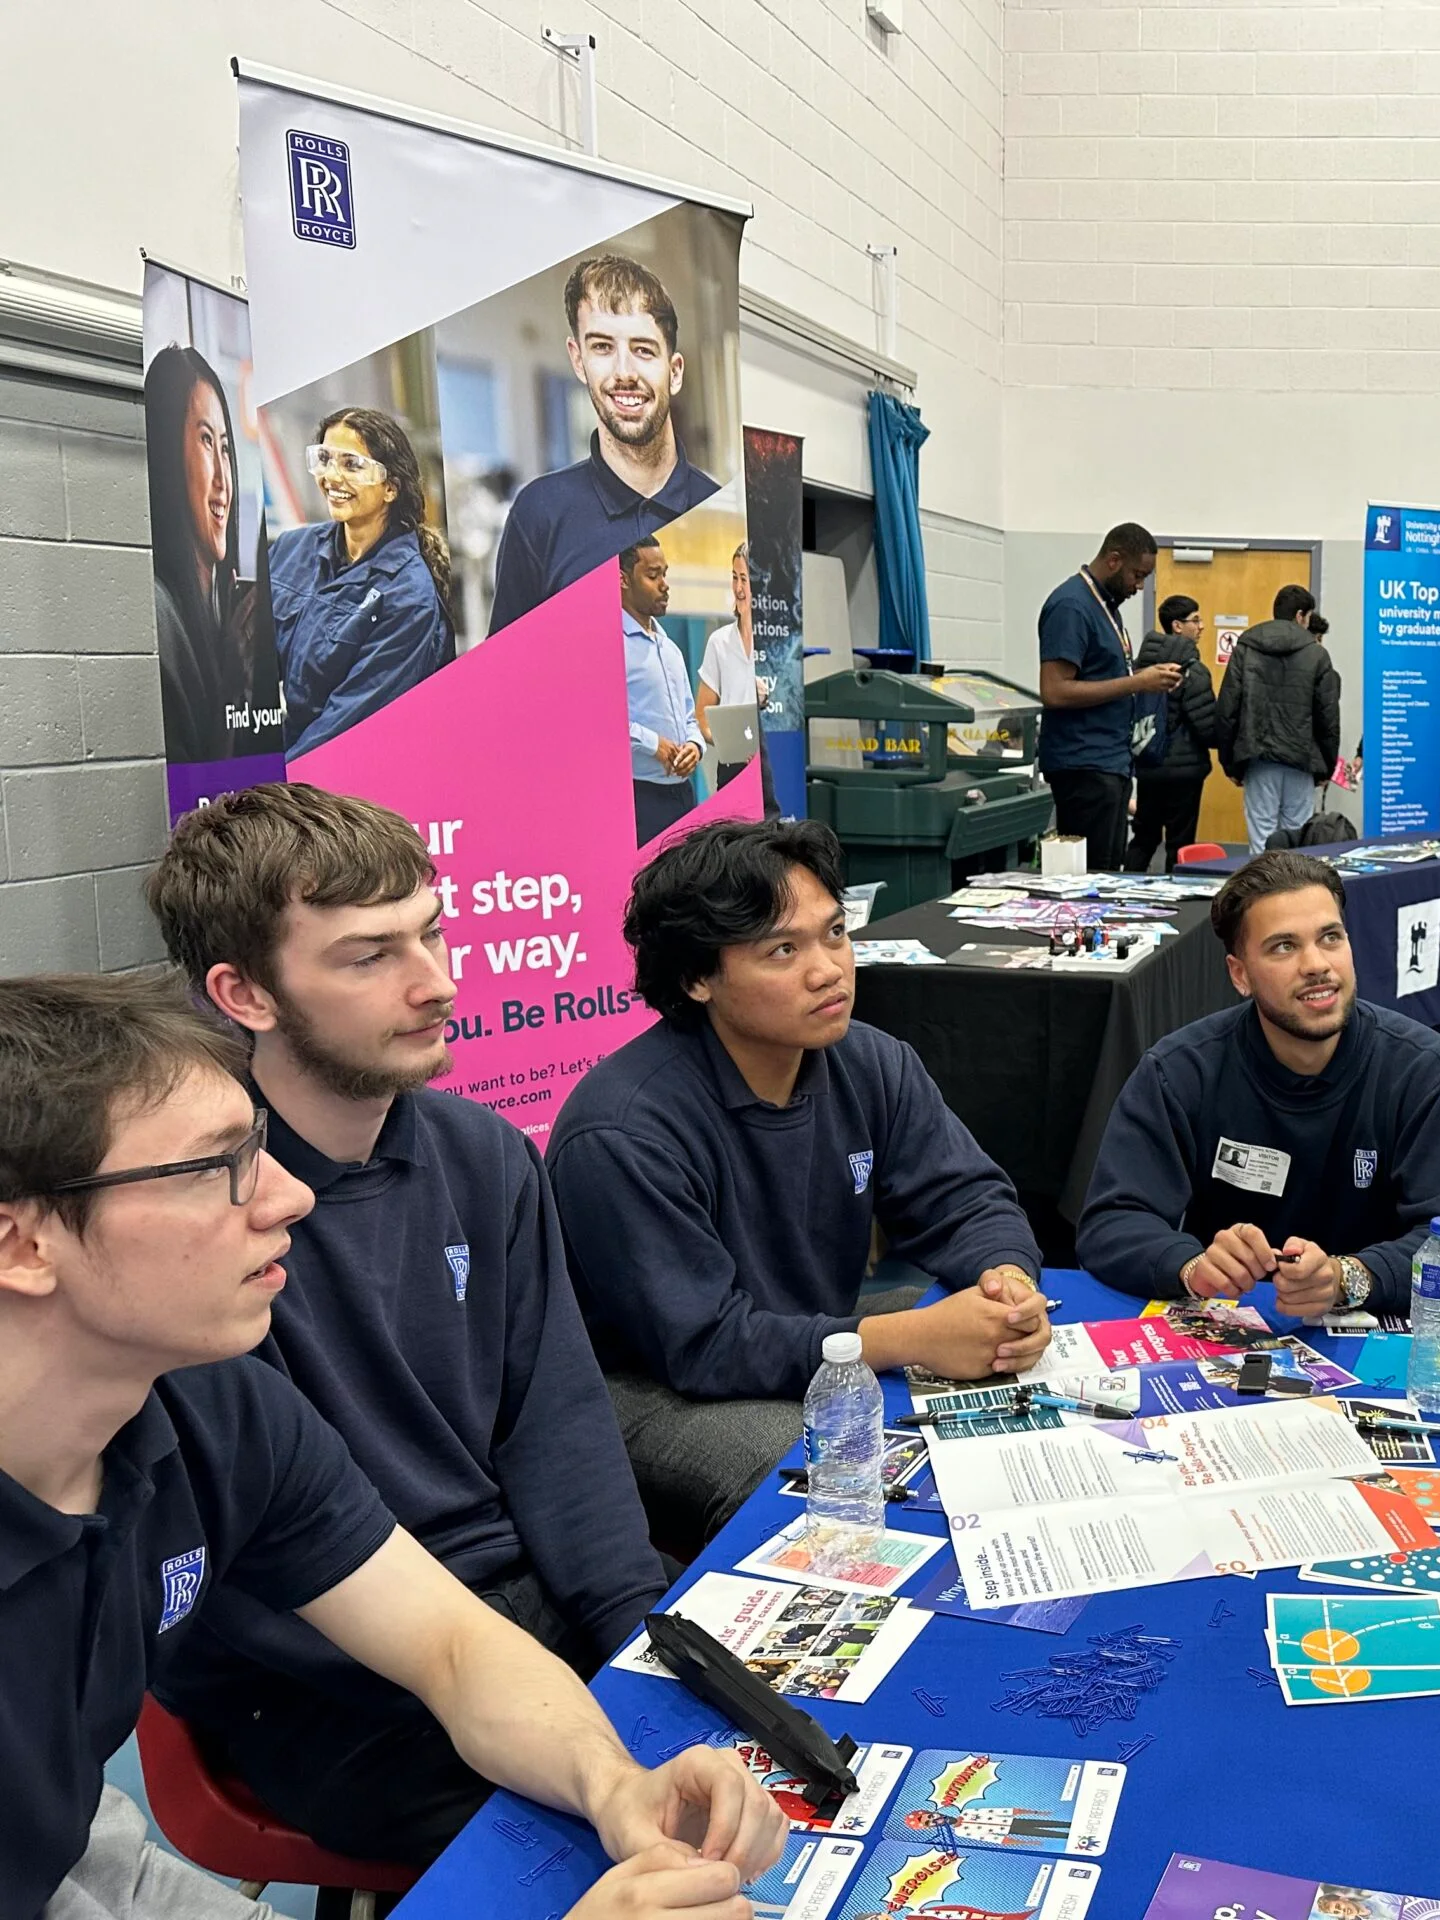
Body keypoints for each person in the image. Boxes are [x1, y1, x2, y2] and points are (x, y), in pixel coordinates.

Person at [0, 970, 785, 1920]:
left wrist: (610, 1783)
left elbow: (452, 1644)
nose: (290, 1195)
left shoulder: (215, 1405)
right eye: (216, 1167)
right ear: (22, 1245)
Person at [138, 783, 666, 1864]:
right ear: (245, 993)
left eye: (432, 933)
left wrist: (639, 1645)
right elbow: (246, 1577)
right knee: (609, 1862)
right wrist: (499, 1678)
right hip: (322, 1679)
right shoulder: (195, 1224)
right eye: (369, 955)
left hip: (505, 1616)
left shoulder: (484, 1156)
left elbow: (555, 1422)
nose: (437, 984)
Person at [548, 820, 1051, 1553]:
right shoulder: (623, 1130)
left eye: (836, 933)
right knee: (842, 1474)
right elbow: (705, 1346)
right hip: (651, 1388)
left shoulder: (872, 1061)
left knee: (996, 1340)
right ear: (698, 978)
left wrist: (1006, 1281)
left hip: (806, 1329)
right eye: (784, 949)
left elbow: (967, 1198)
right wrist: (908, 1338)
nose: (829, 970)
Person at [1079, 851, 1440, 1317]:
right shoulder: (1178, 1072)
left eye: (1330, 938)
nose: (1316, 964)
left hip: (1377, 1335)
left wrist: (1347, 1277)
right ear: (1240, 975)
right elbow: (1111, 1222)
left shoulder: (1433, 1078)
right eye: (1284, 946)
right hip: (1227, 1334)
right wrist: (1190, 1265)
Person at [489, 254, 722, 634]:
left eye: (643, 350)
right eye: (602, 347)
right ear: (578, 360)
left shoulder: (720, 512)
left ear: (674, 371)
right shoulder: (539, 516)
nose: (624, 373)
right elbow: (507, 680)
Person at [272, 407, 458, 759]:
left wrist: (265, 788)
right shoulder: (290, 551)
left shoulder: (408, 597)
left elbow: (343, 729)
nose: (331, 476)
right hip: (285, 762)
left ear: (390, 488)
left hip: (344, 786)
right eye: (325, 459)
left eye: (351, 465)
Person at [145, 344, 276, 765]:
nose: (223, 478)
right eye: (205, 440)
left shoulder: (222, 612)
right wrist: (231, 687)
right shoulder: (161, 619)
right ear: (167, 452)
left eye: (225, 447)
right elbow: (198, 798)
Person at [1036, 524, 1181, 871]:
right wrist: (1137, 683)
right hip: (1083, 765)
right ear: (1114, 560)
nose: (1140, 585)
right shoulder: (1072, 606)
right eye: (1137, 575)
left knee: (1110, 870)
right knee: (1095, 876)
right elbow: (1054, 690)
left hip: (1108, 762)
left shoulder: (1105, 605)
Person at [1218, 585, 1342, 852]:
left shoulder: (1245, 649)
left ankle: (1260, 893)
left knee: (1261, 839)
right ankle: (1292, 893)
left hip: (1258, 758)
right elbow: (1328, 718)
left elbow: (1228, 709)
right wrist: (1326, 767)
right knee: (1298, 840)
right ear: (1300, 616)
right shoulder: (1317, 654)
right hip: (1301, 760)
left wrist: (1230, 763)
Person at [1127, 594, 1223, 870]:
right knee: (1180, 842)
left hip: (1148, 763)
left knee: (1144, 836)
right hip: (1185, 770)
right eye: (1196, 620)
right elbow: (1205, 725)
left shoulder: (1141, 667)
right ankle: (1176, 901)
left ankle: (1124, 890)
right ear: (1177, 626)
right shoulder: (1193, 669)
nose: (1202, 626)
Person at [622, 536, 706, 846]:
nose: (664, 585)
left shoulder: (669, 648)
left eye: (665, 574)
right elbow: (598, 721)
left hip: (683, 794)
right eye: (653, 576)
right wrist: (653, 744)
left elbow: (689, 717)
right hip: (639, 799)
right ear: (623, 580)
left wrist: (695, 747)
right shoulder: (609, 646)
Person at [696, 542, 770, 786]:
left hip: (769, 759)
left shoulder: (775, 639)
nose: (738, 588)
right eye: (735, 577)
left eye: (745, 580)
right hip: (733, 767)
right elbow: (702, 716)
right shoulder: (719, 642)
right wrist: (730, 743)